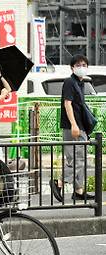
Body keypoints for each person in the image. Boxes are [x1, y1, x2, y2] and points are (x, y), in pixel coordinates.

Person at [50, 54, 96, 202]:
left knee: (78, 158)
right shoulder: (70, 82)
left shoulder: (80, 83)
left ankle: (79, 190)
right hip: (73, 127)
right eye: (78, 65)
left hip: (79, 126)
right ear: (72, 68)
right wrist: (74, 125)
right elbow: (67, 104)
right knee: (78, 159)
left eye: (84, 65)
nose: (81, 67)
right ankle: (59, 183)